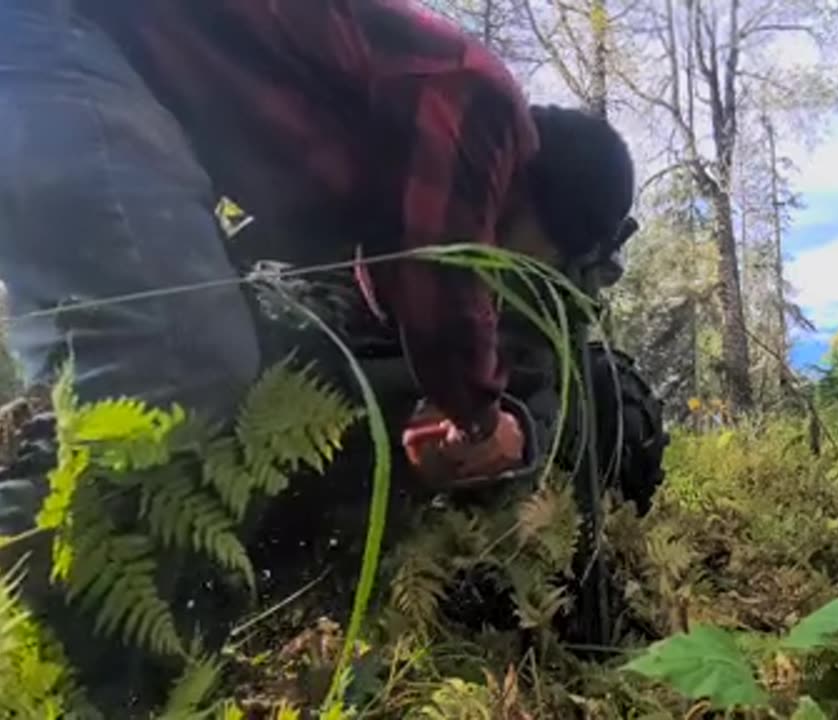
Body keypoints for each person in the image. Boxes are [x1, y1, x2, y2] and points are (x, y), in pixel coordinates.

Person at [0, 0, 636, 713]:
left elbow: (381, 275)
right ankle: (66, 679)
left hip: (98, 68)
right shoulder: (485, 104)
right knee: (177, 372)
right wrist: (478, 417)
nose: (524, 277)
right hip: (74, 35)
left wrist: (481, 409)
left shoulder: (383, 169)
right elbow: (438, 282)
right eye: (553, 260)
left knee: (160, 378)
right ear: (554, 219)